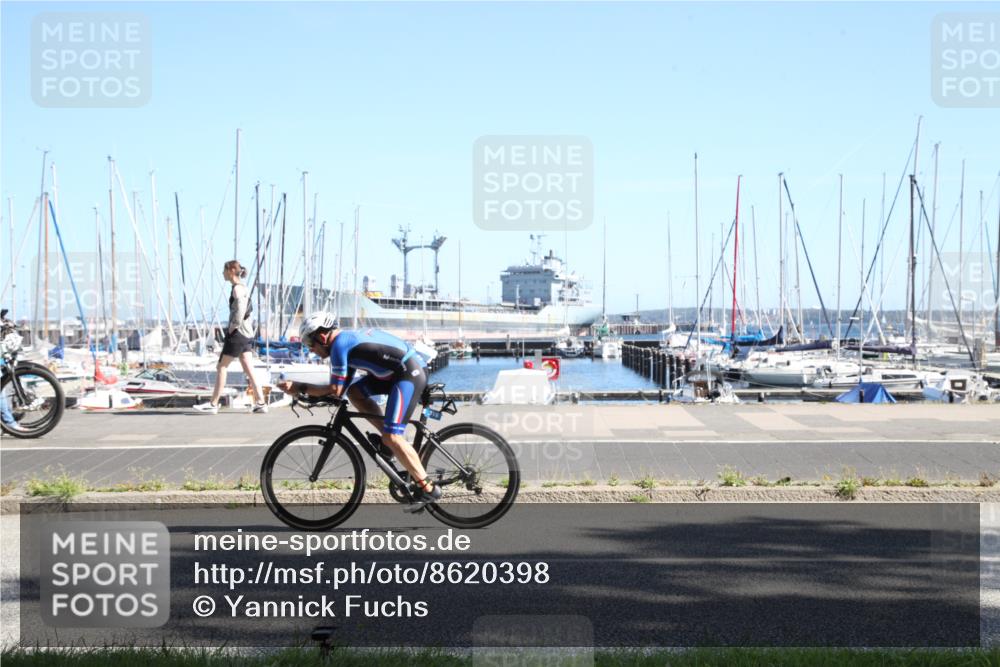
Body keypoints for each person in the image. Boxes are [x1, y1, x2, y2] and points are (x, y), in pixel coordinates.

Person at [275, 312, 442, 512]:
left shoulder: (339, 346)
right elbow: (342, 390)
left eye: (310, 344)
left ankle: (428, 488)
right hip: (398, 372)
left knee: (393, 436)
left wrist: (299, 387)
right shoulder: (345, 343)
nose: (310, 349)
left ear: (321, 337)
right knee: (355, 392)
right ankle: (388, 444)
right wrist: (309, 394)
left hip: (409, 373)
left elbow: (334, 390)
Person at [194, 260, 267, 414]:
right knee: (249, 368)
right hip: (246, 334)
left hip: (238, 334)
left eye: (224, 270)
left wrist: (232, 328)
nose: (222, 273)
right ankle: (261, 402)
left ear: (231, 270)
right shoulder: (243, 288)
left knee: (221, 366)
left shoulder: (237, 289)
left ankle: (213, 404)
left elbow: (240, 311)